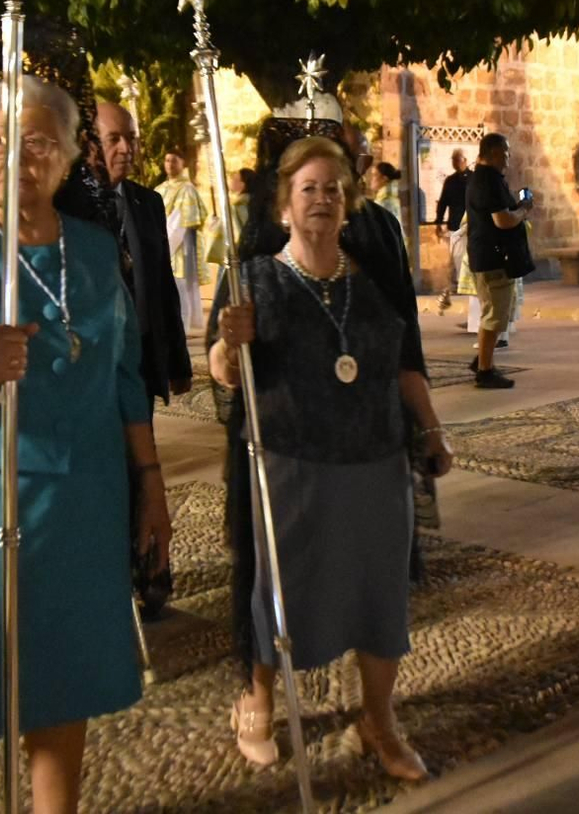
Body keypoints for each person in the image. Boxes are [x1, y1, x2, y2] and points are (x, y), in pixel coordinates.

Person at [0, 75, 172, 814]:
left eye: (40, 141)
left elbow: (122, 375)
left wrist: (151, 483)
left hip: (87, 491)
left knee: (65, 680)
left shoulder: (90, 245)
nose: (18, 156)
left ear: (72, 154)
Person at [210, 135, 452, 781]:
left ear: (349, 203)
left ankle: (378, 718)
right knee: (277, 594)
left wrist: (431, 429)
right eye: (308, 189)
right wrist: (228, 348)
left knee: (381, 595)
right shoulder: (254, 278)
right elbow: (223, 372)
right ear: (285, 205)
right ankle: (258, 700)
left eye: (333, 189)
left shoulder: (373, 278)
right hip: (290, 460)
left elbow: (406, 363)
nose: (322, 200)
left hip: (376, 458)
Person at [94, 99, 194, 616]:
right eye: (113, 138)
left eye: (130, 137)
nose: (126, 148)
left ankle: (152, 567)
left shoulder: (147, 202)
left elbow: (162, 287)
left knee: (145, 469)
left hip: (138, 366)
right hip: (91, 372)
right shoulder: (71, 208)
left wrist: (175, 360)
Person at [467, 133, 532, 388]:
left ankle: (483, 358)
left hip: (488, 255)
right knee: (495, 315)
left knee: (493, 313)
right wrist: (524, 209)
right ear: (493, 153)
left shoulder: (482, 179)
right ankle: (485, 370)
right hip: (494, 259)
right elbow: (502, 221)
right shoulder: (488, 181)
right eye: (505, 152)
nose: (508, 158)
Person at [155, 150, 207, 335]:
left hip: (179, 248)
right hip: (161, 243)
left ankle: (182, 328)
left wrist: (166, 246)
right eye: (167, 160)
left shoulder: (187, 189)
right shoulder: (160, 188)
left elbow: (180, 222)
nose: (169, 164)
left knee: (181, 289)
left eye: (174, 160)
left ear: (182, 163)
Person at [434, 148, 470, 308]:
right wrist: (438, 222)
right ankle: (460, 285)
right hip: (455, 225)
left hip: (472, 226)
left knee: (469, 258)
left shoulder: (474, 178)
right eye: (453, 160)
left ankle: (467, 286)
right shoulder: (450, 181)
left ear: (465, 160)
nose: (455, 163)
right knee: (457, 257)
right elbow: (443, 203)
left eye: (458, 159)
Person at [371, 161, 405, 236]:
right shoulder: (392, 195)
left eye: (374, 175)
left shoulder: (384, 201)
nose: (371, 179)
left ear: (384, 178)